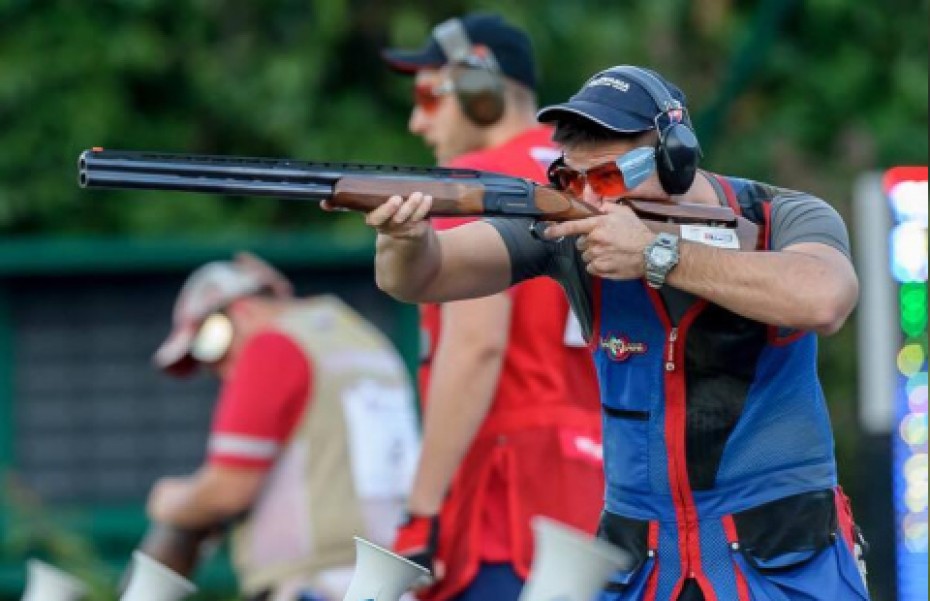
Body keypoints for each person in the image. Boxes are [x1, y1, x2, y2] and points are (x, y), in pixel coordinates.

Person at [363, 65, 871, 601]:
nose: (590, 200)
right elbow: (423, 276)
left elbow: (825, 297)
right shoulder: (568, 231)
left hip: (783, 562)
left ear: (675, 159)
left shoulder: (780, 215)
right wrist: (404, 238)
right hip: (644, 569)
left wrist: (657, 255)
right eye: (570, 179)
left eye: (608, 178)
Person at [378, 12, 605, 601]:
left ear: (482, 95)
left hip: (504, 506)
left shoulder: (477, 182)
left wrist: (422, 509)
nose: (417, 120)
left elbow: (476, 346)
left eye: (430, 95)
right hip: (598, 497)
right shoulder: (587, 180)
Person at [144, 252, 420, 601]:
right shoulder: (363, 339)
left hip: (316, 585)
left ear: (242, 310)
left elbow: (227, 490)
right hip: (388, 583)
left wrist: (169, 501)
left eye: (211, 343)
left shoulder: (272, 346)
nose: (219, 369)